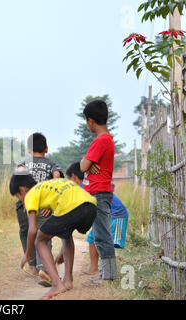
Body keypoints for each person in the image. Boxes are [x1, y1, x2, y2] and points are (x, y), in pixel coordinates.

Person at [9, 172, 97, 300]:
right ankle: (67, 281)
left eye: (18, 196)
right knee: (66, 234)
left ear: (22, 190)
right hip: (91, 206)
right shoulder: (49, 186)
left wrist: (28, 254)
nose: (21, 200)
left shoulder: (31, 194)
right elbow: (65, 223)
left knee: (40, 239)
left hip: (72, 208)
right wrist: (62, 251)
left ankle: (56, 284)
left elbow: (32, 229)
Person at [66, 163, 129, 275]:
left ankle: (107, 272)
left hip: (116, 215)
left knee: (106, 242)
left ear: (74, 177)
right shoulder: (85, 185)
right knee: (92, 239)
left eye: (69, 179)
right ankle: (94, 268)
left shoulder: (83, 187)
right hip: (105, 215)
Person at [79, 100, 117, 286]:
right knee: (100, 233)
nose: (87, 125)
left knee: (102, 234)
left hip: (99, 193)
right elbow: (87, 166)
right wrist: (87, 164)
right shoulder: (107, 139)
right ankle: (104, 273)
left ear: (91, 121)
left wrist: (85, 163)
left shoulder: (100, 141)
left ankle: (107, 275)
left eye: (87, 121)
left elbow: (83, 166)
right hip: (100, 192)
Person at [15, 133, 61, 283]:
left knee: (24, 232)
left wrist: (24, 201)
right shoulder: (52, 164)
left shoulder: (22, 164)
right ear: (46, 149)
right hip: (43, 206)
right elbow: (57, 177)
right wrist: (51, 202)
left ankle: (32, 265)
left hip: (24, 205)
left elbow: (17, 182)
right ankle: (44, 269)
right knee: (44, 235)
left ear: (29, 149)